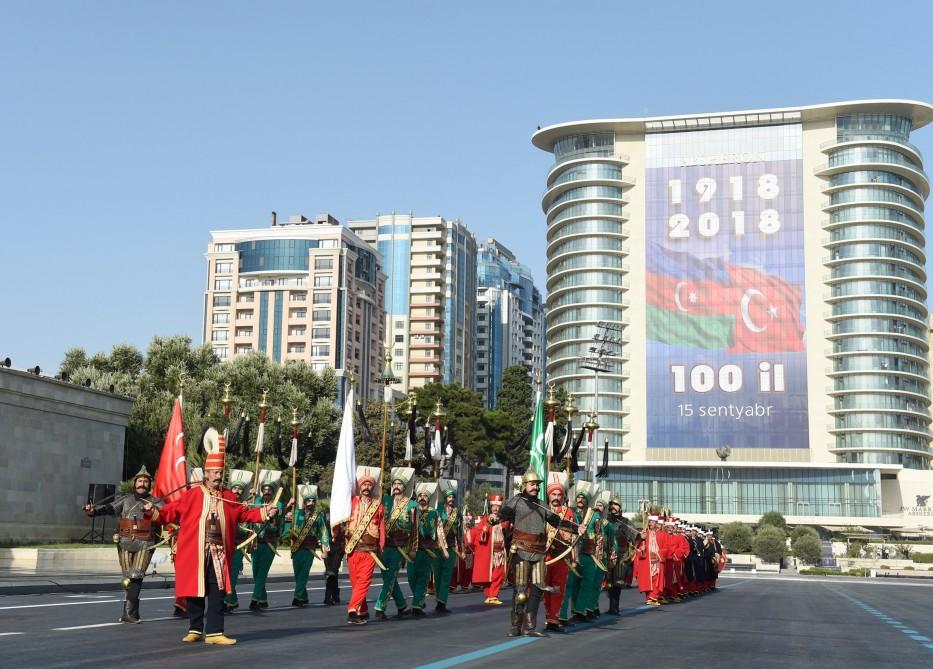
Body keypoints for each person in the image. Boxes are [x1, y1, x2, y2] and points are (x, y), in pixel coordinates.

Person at [145, 428, 277, 645]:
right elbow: (170, 512)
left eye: (220, 472)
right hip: (194, 552)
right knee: (194, 591)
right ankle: (195, 629)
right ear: (206, 473)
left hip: (219, 552)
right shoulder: (193, 494)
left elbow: (245, 513)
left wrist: (266, 512)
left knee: (217, 591)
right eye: (215, 472)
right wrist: (153, 511)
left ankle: (215, 632)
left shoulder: (228, 496)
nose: (218, 476)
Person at [499, 468, 577, 637]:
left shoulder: (542, 505)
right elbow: (503, 514)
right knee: (520, 591)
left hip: (539, 553)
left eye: (537, 484)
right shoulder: (516, 501)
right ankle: (515, 626)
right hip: (520, 550)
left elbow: (557, 522)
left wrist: (577, 529)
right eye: (532, 484)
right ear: (524, 485)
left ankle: (529, 627)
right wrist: (495, 518)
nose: (535, 487)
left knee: (537, 590)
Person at [84, 465, 162, 624]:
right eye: (139, 481)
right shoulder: (126, 499)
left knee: (136, 575)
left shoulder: (155, 501)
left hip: (145, 542)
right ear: (135, 483)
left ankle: (129, 614)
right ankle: (132, 612)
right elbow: (109, 508)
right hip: (125, 541)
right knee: (127, 578)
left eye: (145, 481)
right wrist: (93, 511)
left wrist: (152, 510)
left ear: (149, 484)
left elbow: (166, 514)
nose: (142, 484)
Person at [343, 466, 385, 625]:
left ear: (373, 487)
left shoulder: (378, 506)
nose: (366, 487)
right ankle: (363, 610)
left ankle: (352, 610)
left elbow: (382, 530)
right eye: (363, 484)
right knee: (356, 583)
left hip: (370, 551)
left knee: (364, 581)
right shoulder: (351, 502)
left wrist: (381, 546)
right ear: (359, 486)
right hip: (353, 549)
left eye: (369, 485)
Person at [374, 467, 416, 620]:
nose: (397, 486)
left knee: (390, 576)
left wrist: (412, 548)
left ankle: (380, 607)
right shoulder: (386, 500)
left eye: (400, 484)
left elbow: (414, 529)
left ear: (404, 487)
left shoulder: (411, 505)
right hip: (385, 546)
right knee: (388, 578)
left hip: (400, 548)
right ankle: (402, 605)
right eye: (395, 483)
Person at [559, 481, 599, 623]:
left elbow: (599, 535)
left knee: (588, 583)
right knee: (569, 585)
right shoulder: (570, 512)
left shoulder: (594, 515)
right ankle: (561, 616)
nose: (580, 499)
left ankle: (580, 611)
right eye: (579, 497)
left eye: (583, 497)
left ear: (588, 500)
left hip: (588, 554)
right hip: (572, 553)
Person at [286, 484, 330, 607]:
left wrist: (325, 549)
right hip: (296, 548)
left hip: (309, 549)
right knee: (298, 574)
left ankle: (297, 597)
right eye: (308, 501)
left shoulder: (318, 516)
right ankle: (304, 597)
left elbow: (323, 533)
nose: (310, 503)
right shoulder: (296, 513)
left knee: (304, 574)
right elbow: (284, 525)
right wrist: (288, 508)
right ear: (304, 502)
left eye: (313, 501)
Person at [543, 471, 576, 632]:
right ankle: (546, 616)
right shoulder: (542, 510)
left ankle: (554, 619)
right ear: (548, 495)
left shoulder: (568, 513)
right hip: (544, 556)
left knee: (557, 588)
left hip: (561, 556)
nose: (556, 497)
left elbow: (571, 535)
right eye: (553, 494)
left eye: (559, 494)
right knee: (543, 588)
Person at [410, 482, 448, 616]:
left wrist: (444, 549)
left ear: (429, 498)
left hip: (428, 550)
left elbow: (440, 531)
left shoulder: (434, 512)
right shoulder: (412, 510)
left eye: (425, 496)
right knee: (411, 577)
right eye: (420, 495)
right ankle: (418, 599)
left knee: (423, 577)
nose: (422, 498)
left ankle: (417, 605)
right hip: (413, 549)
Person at [248, 469, 284, 610]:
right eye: (265, 489)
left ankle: (254, 599)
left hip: (269, 543)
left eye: (270, 489)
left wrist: (275, 512)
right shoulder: (255, 501)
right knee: (256, 572)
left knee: (262, 572)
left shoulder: (278, 504)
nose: (267, 491)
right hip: (256, 542)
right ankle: (263, 600)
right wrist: (249, 498)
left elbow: (279, 518)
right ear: (262, 490)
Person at [222, 469, 253, 613]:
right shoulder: (223, 504)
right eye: (234, 488)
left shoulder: (245, 507)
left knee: (232, 575)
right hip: (222, 545)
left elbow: (245, 529)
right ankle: (232, 600)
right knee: (222, 575)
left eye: (240, 489)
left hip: (237, 546)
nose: (237, 491)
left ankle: (227, 602)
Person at [472, 493, 509, 605]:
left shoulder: (504, 520)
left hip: (499, 553)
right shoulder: (484, 519)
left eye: (498, 506)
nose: (496, 508)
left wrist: (501, 522)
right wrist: (487, 524)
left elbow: (507, 531)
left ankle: (493, 595)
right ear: (491, 507)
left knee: (499, 573)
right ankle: (489, 595)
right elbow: (479, 536)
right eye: (494, 506)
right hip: (488, 552)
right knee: (487, 575)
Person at [434, 480, 461, 613]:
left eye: (453, 497)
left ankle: (442, 602)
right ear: (445, 498)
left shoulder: (457, 512)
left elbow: (459, 531)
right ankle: (438, 598)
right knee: (437, 575)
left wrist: (460, 546)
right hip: (437, 546)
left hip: (450, 547)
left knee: (446, 575)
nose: (451, 499)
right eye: (449, 497)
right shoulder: (438, 509)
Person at [603, 497, 631, 616]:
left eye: (616, 505)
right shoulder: (606, 520)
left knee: (617, 583)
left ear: (620, 507)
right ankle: (611, 607)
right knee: (609, 583)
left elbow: (633, 535)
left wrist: (641, 536)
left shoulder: (625, 521)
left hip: (621, 555)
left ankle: (615, 607)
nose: (613, 507)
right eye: (611, 505)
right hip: (608, 554)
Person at [634, 514, 667, 606]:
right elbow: (636, 546)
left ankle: (653, 597)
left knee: (656, 579)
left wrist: (659, 555)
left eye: (653, 522)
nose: (651, 523)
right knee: (648, 580)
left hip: (657, 560)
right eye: (650, 522)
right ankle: (650, 597)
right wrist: (641, 542)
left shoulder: (661, 534)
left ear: (656, 523)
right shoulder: (644, 533)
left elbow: (665, 548)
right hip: (647, 561)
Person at [323, 508, 345, 606]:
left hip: (338, 548)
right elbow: (322, 534)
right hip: (328, 548)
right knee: (332, 573)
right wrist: (324, 549)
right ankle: (335, 595)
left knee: (332, 572)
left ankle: (328, 597)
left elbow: (344, 534)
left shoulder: (342, 518)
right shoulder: (326, 516)